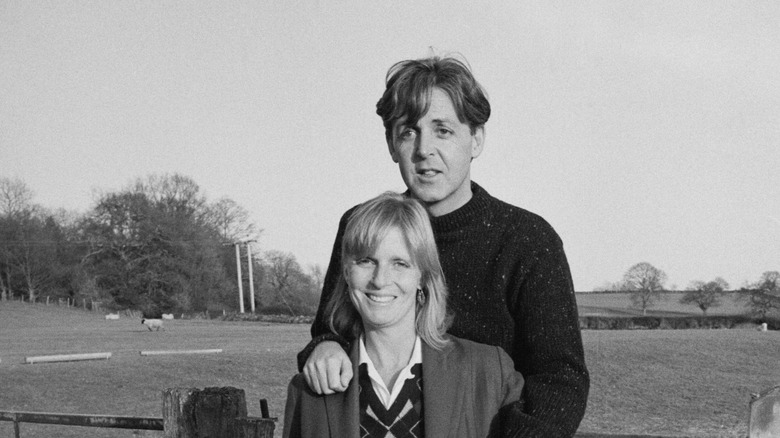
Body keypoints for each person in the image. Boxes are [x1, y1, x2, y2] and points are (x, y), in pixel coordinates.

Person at [298, 55, 589, 437]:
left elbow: (560, 380)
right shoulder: (363, 226)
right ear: (391, 144)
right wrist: (325, 346)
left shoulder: (527, 240)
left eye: (443, 131)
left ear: (476, 139)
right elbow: (333, 327)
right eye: (408, 132)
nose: (424, 149)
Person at [283, 192, 525, 438]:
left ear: (422, 276)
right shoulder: (308, 391)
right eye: (366, 261)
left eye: (399, 263)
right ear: (346, 272)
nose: (380, 280)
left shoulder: (489, 373)